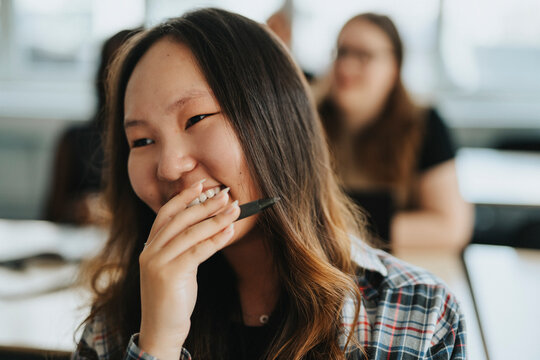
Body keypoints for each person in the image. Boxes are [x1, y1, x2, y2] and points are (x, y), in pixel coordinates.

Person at [73, 8, 466, 360]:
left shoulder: (420, 316)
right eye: (141, 141)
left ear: (276, 124)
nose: (169, 167)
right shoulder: (116, 325)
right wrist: (157, 344)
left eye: (196, 119)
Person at [318, 13, 474, 251]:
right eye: (342, 52)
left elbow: (452, 227)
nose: (346, 65)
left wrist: (340, 231)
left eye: (363, 55)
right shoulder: (309, 117)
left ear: (394, 66)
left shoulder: (423, 124)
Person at [43, 28, 140, 225]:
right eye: (111, 69)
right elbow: (51, 213)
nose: (118, 82)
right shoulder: (73, 140)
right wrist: (79, 209)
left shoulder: (156, 143)